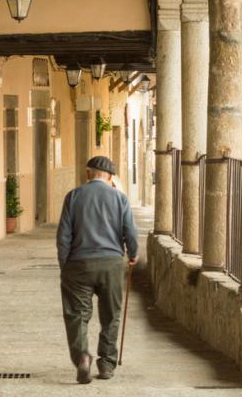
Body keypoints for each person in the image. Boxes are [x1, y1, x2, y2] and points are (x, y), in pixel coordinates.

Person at [56, 156, 139, 384]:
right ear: (111, 177)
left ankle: (82, 358)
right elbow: (130, 232)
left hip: (78, 264)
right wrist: (133, 254)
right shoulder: (120, 199)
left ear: (87, 174)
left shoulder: (73, 196)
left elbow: (63, 236)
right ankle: (106, 364)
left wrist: (66, 265)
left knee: (77, 316)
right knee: (111, 315)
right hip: (111, 264)